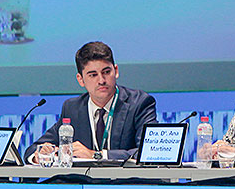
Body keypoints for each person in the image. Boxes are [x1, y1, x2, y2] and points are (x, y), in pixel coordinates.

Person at [23, 41, 157, 162]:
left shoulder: (139, 103)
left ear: (115, 71)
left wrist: (97, 155)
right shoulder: (72, 108)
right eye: (93, 75)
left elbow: (149, 151)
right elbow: (31, 150)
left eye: (106, 72)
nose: (101, 80)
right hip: (83, 183)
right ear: (80, 79)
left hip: (125, 184)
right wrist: (41, 154)